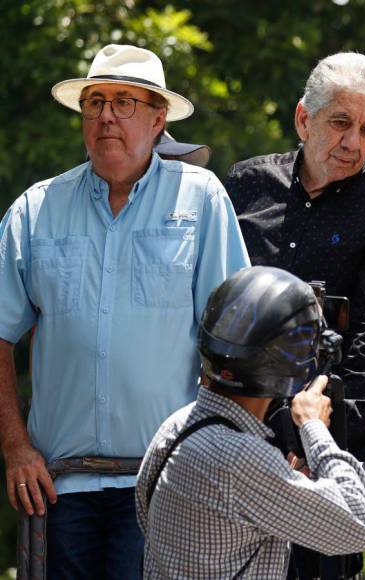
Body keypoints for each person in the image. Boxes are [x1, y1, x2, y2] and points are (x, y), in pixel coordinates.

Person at [0, 44, 249, 577]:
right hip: (58, 489)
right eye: (95, 103)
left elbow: (235, 339)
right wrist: (15, 448)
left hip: (167, 484)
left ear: (159, 120)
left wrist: (225, 459)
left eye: (124, 102)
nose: (106, 115)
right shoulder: (36, 208)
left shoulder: (201, 199)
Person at [224, 51, 365, 579]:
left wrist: (320, 445)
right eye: (340, 122)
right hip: (229, 431)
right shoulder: (243, 185)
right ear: (303, 118)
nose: (354, 143)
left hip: (323, 439)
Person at [136, 266, 365, 578]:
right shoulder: (242, 459)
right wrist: (313, 426)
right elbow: (358, 525)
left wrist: (279, 481)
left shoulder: (175, 426)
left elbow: (147, 515)